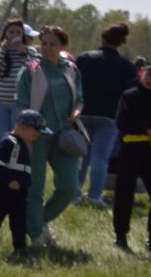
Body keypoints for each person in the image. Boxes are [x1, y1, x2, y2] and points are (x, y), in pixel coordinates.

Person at [14, 25, 83, 247]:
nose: (47, 48)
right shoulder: (30, 70)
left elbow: (79, 97)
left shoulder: (71, 69)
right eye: (43, 43)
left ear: (63, 46)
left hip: (64, 136)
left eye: (53, 44)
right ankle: (35, 234)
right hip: (36, 136)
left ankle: (40, 220)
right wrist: (29, 125)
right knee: (35, 186)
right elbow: (22, 103)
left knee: (69, 186)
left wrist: (77, 111)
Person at [75, 22, 134, 209]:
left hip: (83, 112)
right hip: (109, 116)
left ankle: (74, 193)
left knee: (80, 156)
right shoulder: (126, 66)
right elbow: (130, 94)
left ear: (102, 38)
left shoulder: (85, 58)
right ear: (121, 42)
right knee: (100, 158)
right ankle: (95, 195)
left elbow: (73, 82)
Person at [0, 109, 44, 254]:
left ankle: (20, 247)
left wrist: (24, 183)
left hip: (20, 191)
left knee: (19, 220)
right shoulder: (8, 142)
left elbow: (25, 169)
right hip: (3, 190)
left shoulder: (24, 145)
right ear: (22, 128)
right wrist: (9, 180)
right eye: (35, 133)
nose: (37, 136)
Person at [110, 64, 150, 252]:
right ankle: (120, 235)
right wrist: (145, 128)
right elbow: (122, 121)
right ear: (143, 75)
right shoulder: (129, 95)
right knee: (124, 195)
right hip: (131, 149)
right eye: (149, 75)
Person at [0, 18, 32, 155]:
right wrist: (3, 52)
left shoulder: (29, 52)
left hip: (18, 103)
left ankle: (13, 169)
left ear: (23, 35)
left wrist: (22, 53)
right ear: (5, 33)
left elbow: (32, 72)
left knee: (17, 139)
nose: (15, 35)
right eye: (11, 32)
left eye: (18, 32)